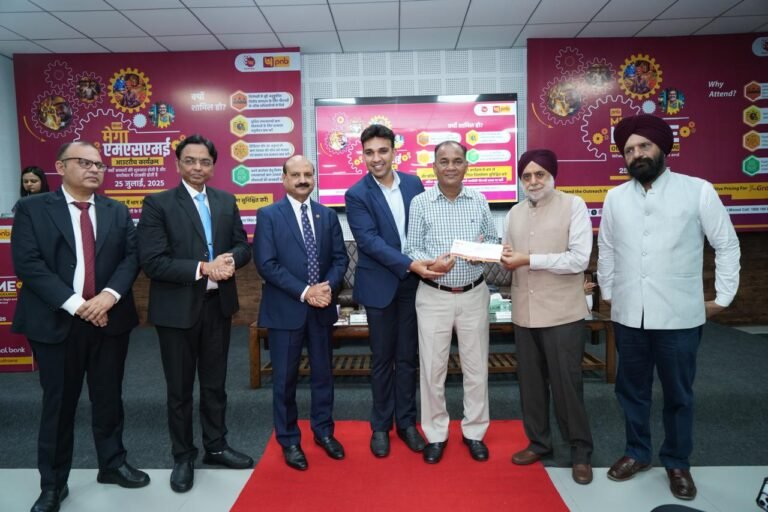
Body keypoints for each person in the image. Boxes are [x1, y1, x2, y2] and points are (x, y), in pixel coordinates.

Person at [598, 114, 740, 501]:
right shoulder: (615, 197)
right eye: (629, 149)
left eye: (644, 146)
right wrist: (608, 291)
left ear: (662, 147)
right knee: (631, 391)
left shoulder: (697, 190)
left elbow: (726, 244)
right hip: (629, 314)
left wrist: (723, 297)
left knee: (678, 394)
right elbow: (607, 248)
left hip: (679, 316)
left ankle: (677, 461)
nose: (637, 154)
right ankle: (637, 452)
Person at [11, 142, 149, 512]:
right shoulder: (32, 209)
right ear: (60, 167)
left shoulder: (117, 211)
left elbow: (131, 258)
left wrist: (107, 297)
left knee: (109, 397)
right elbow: (29, 263)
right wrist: (78, 305)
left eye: (99, 165)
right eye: (84, 163)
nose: (93, 169)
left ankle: (113, 463)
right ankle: (53, 484)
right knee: (59, 404)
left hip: (109, 319)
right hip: (56, 322)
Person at [137, 134, 253, 493]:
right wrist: (204, 267)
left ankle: (216, 446)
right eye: (190, 160)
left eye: (205, 161)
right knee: (180, 389)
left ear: (213, 166)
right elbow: (153, 261)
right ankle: (183, 456)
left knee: (215, 385)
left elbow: (242, 245)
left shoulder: (225, 201)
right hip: (176, 311)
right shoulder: (158, 204)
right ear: (178, 164)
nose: (198, 167)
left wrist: (230, 259)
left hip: (217, 307)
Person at [345, 124, 442, 457]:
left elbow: (427, 227)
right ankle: (380, 426)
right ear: (363, 155)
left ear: (394, 151)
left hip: (414, 285)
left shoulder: (414, 184)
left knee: (408, 357)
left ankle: (407, 423)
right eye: (369, 152)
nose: (376, 158)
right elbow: (369, 242)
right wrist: (410, 263)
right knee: (382, 359)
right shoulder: (356, 194)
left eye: (382, 151)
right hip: (380, 286)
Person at [500, 149, 594, 485]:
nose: (533, 181)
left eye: (540, 174)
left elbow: (578, 260)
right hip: (524, 314)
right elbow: (509, 257)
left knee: (567, 385)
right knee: (531, 385)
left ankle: (580, 452)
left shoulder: (574, 206)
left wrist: (529, 259)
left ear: (553, 175)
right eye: (526, 176)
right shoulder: (513, 213)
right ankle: (539, 443)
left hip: (562, 314)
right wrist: (495, 255)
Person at [253, 155, 349, 471]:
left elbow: (340, 259)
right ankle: (289, 439)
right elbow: (266, 264)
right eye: (295, 175)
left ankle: (324, 432)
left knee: (323, 375)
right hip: (286, 310)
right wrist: (307, 292)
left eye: (308, 174)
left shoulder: (327, 215)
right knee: (284, 380)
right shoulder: (269, 215)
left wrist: (326, 288)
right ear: (284, 179)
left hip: (321, 310)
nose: (303, 180)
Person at [405, 140, 499, 464]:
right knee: (433, 370)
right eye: (443, 161)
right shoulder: (420, 202)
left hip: (474, 293)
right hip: (434, 295)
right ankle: (436, 434)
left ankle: (474, 432)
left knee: (476, 368)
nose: (450, 167)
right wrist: (432, 263)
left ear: (466, 166)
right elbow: (412, 248)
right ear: (433, 166)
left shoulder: (479, 200)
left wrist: (481, 254)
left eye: (457, 161)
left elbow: (494, 240)